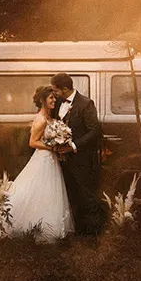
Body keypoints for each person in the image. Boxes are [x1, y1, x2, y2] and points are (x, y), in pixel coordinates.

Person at [0, 85, 74, 242]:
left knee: (50, 191)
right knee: (40, 190)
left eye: (55, 97)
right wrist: (52, 147)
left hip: (50, 159)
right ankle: (34, 226)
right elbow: (32, 142)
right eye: (51, 98)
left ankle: (48, 225)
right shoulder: (40, 120)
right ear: (42, 100)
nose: (54, 100)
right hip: (43, 159)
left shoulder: (50, 118)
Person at [50, 72, 105, 238]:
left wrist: (73, 146)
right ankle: (75, 231)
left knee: (87, 195)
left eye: (56, 90)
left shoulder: (86, 104)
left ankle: (93, 235)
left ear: (65, 89)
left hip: (82, 159)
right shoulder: (58, 102)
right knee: (70, 194)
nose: (54, 94)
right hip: (63, 160)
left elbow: (94, 131)